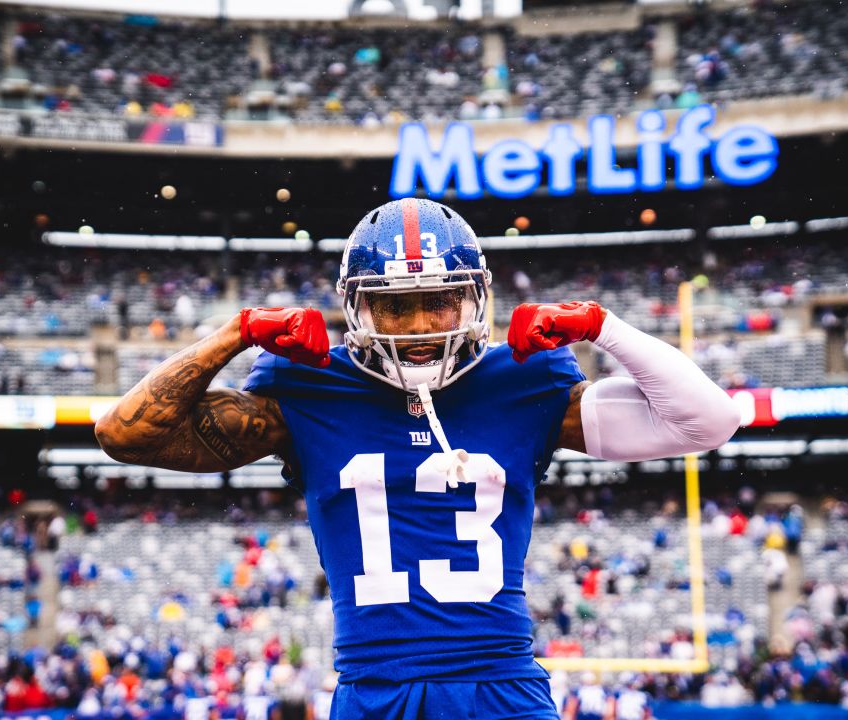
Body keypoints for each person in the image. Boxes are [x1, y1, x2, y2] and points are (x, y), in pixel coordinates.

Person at [96, 198, 740, 719]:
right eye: (396, 305)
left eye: (440, 299)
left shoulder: (523, 380)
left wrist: (604, 327)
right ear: (358, 306)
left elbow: (710, 421)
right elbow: (124, 436)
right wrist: (236, 332)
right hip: (374, 690)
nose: (422, 323)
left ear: (474, 298)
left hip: (501, 687)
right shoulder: (306, 386)